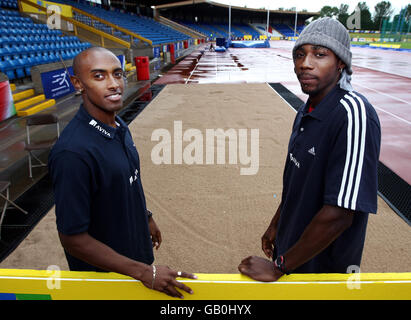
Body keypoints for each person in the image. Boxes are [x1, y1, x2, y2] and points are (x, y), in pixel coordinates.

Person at [238, 18, 381, 281]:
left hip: (322, 271)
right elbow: (299, 183)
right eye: (300, 54)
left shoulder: (353, 114)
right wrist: (277, 225)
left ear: (341, 63)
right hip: (292, 256)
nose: (305, 63)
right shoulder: (307, 110)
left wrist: (279, 266)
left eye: (320, 54)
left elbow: (340, 213)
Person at [48, 47, 196, 299]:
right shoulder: (72, 153)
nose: (114, 84)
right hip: (106, 279)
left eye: (117, 74)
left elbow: (127, 181)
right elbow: (72, 238)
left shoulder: (119, 124)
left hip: (135, 257)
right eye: (99, 76)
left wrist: (145, 216)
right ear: (77, 83)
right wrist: (143, 272)